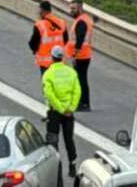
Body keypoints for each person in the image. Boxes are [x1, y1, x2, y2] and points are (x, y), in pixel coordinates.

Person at [42, 45, 81, 178]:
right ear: (62, 57)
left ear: (52, 58)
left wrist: (60, 109)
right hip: (69, 113)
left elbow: (49, 94)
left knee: (53, 140)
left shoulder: (48, 74)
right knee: (69, 139)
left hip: (54, 112)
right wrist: (70, 108)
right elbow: (77, 92)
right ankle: (73, 166)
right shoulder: (71, 72)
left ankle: (56, 168)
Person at [66, 0, 94, 112]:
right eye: (71, 8)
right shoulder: (84, 19)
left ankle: (83, 103)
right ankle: (84, 102)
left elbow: (80, 39)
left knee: (80, 80)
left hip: (81, 55)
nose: (71, 11)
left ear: (80, 9)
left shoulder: (81, 22)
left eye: (73, 8)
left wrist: (75, 55)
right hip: (85, 54)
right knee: (82, 79)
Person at [29, 0, 68, 75]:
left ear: (43, 10)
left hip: (45, 62)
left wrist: (35, 50)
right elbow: (66, 39)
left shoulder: (39, 24)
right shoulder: (61, 22)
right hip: (58, 60)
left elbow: (33, 42)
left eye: (39, 11)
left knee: (47, 83)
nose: (38, 13)